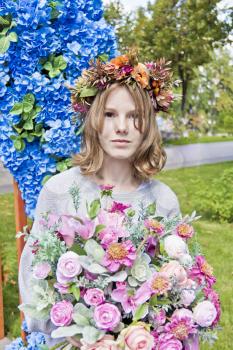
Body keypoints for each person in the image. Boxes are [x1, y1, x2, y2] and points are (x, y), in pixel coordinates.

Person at [18, 51, 184, 347]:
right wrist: (80, 335)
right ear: (95, 120)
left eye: (134, 116)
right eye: (110, 114)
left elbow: (176, 288)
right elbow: (33, 278)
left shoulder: (163, 200)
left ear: (148, 126)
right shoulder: (59, 191)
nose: (121, 127)